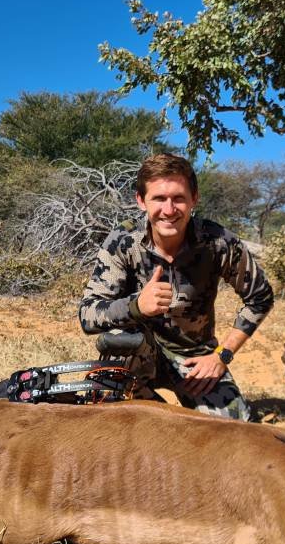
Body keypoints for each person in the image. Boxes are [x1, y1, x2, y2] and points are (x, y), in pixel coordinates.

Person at [78, 153, 274, 420]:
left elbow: (260, 297)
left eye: (179, 198)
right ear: (141, 201)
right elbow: (87, 315)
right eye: (158, 198)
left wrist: (222, 355)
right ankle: (151, 412)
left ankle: (162, 415)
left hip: (195, 357)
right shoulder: (122, 242)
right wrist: (136, 306)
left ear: (195, 199)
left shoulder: (219, 242)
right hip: (136, 355)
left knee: (235, 427)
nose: (169, 210)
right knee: (115, 357)